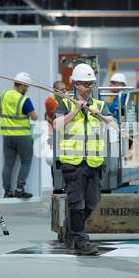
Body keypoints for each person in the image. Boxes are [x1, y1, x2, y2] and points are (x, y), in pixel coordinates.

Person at [53, 63, 114, 255]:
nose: (90, 87)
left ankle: (70, 228)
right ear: (76, 84)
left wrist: (101, 116)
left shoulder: (100, 105)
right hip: (73, 163)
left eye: (92, 83)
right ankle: (81, 241)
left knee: (92, 202)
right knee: (76, 203)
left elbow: (112, 121)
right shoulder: (66, 103)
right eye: (86, 84)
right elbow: (56, 125)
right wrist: (76, 111)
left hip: (94, 163)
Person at [0, 72, 39, 198]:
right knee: (26, 162)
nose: (27, 89)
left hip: (7, 136)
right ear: (21, 85)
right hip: (22, 136)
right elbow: (35, 117)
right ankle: (20, 189)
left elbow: (0, 109)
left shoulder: (4, 95)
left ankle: (7, 191)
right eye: (26, 87)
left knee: (7, 164)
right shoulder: (24, 100)